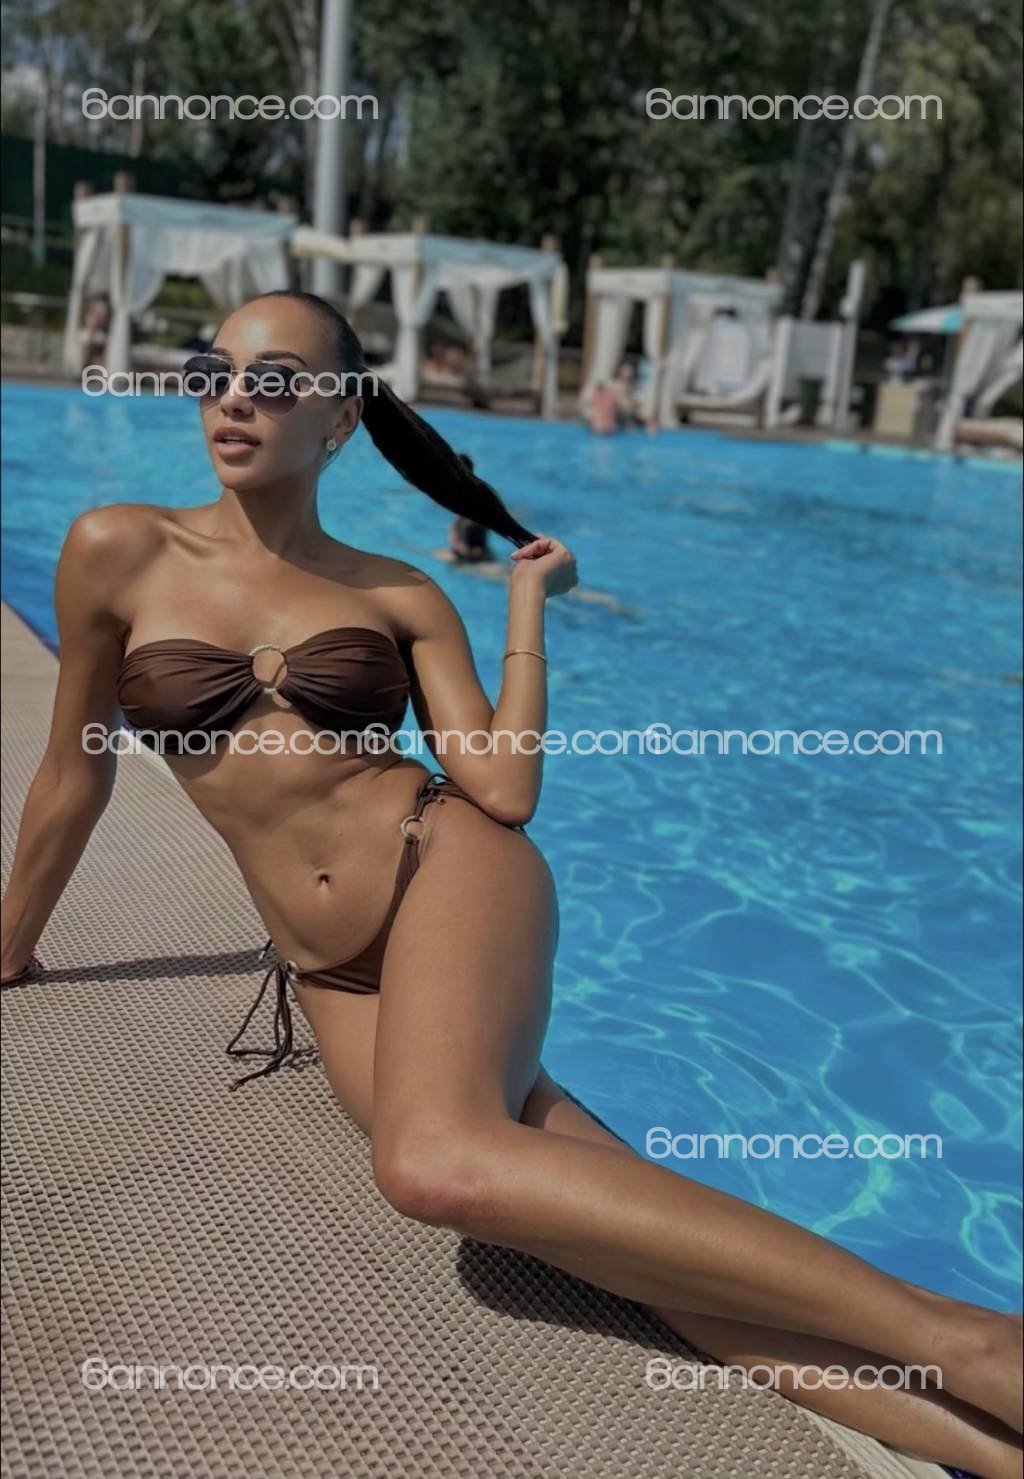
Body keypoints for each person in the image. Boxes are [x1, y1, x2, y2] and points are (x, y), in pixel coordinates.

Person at [1, 290, 1020, 1479]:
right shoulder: (115, 549)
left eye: (274, 379)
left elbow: (503, 786)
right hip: (333, 972)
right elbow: (73, 773)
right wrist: (10, 942)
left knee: (431, 1163)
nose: (233, 398)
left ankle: (977, 1342)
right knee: (643, 1261)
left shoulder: (397, 592)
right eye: (209, 372)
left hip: (447, 869)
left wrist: (525, 607)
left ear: (339, 417)